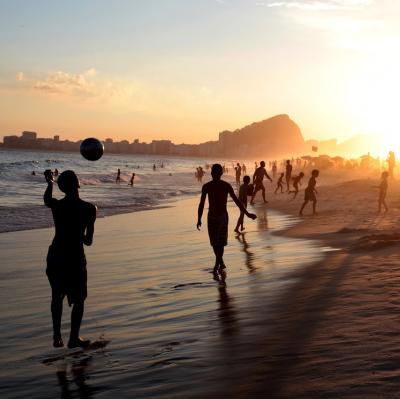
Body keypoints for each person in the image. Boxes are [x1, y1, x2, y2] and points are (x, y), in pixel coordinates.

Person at [44, 170, 96, 348]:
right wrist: (77, 233)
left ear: (62, 188)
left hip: (57, 254)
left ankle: (57, 336)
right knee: (80, 298)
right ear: (78, 184)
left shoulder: (58, 206)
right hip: (75, 257)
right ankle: (74, 338)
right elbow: (88, 241)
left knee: (56, 295)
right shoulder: (90, 209)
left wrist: (50, 182)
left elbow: (47, 201)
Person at [197, 164, 256, 275]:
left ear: (216, 173)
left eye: (215, 172)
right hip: (215, 216)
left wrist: (247, 214)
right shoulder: (209, 186)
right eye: (214, 172)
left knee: (219, 242)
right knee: (215, 242)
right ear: (220, 173)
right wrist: (199, 218)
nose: (214, 174)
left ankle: (217, 263)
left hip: (221, 216)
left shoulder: (222, 186)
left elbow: (237, 201)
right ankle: (221, 261)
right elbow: (201, 203)